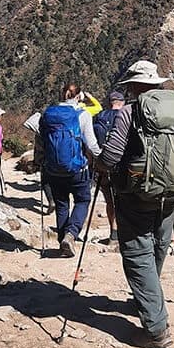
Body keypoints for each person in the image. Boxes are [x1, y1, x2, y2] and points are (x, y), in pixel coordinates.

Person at [99, 60, 174, 348]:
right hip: (173, 194)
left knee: (137, 254)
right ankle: (148, 301)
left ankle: (156, 330)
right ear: (157, 83)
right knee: (159, 245)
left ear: (134, 86)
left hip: (137, 196)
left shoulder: (129, 113)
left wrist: (98, 165)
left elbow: (110, 158)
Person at [39, 83, 101, 257]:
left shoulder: (48, 115)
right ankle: (71, 234)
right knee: (82, 200)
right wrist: (104, 158)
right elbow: (92, 144)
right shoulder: (83, 114)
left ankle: (62, 241)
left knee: (61, 204)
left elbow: (42, 140)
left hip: (53, 170)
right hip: (77, 169)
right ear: (78, 96)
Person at [93, 91, 125, 249]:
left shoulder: (100, 116)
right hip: (124, 166)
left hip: (104, 165)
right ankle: (126, 233)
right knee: (126, 199)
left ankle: (113, 233)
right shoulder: (127, 116)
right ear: (122, 102)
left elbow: (91, 141)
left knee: (110, 200)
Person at [23, 111, 55, 214]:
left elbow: (38, 150)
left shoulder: (40, 134)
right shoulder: (54, 130)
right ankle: (58, 202)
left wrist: (36, 163)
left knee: (45, 182)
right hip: (57, 159)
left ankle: (51, 201)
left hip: (45, 161)